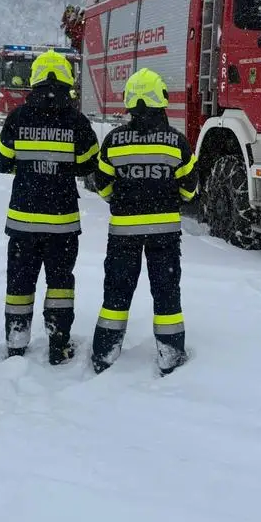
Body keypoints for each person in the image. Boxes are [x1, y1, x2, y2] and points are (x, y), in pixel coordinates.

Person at [0, 49, 99, 364]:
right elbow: (86, 164)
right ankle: (59, 344)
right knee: (61, 283)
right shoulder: (77, 122)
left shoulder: (17, 118)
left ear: (35, 79)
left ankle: (16, 343)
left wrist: (26, 169)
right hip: (61, 223)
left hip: (23, 222)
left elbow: (0, 162)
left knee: (19, 284)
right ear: (68, 79)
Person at [91, 68, 198, 376]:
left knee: (116, 292)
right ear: (160, 100)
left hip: (123, 233)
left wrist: (122, 202)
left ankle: (105, 353)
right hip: (164, 234)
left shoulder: (113, 141)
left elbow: (102, 186)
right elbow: (190, 190)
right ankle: (170, 353)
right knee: (166, 292)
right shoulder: (176, 142)